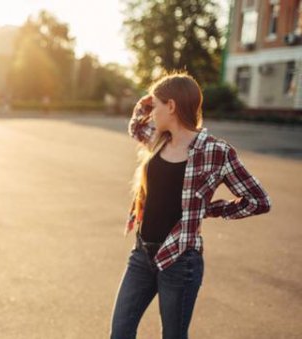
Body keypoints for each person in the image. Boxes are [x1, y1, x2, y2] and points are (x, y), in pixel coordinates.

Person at [109, 72, 271, 339]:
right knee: (120, 331)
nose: (153, 113)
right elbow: (136, 126)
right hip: (142, 254)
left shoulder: (216, 151)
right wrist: (148, 101)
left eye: (158, 106)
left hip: (180, 259)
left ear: (171, 106)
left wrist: (212, 208)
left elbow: (259, 201)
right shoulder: (159, 139)